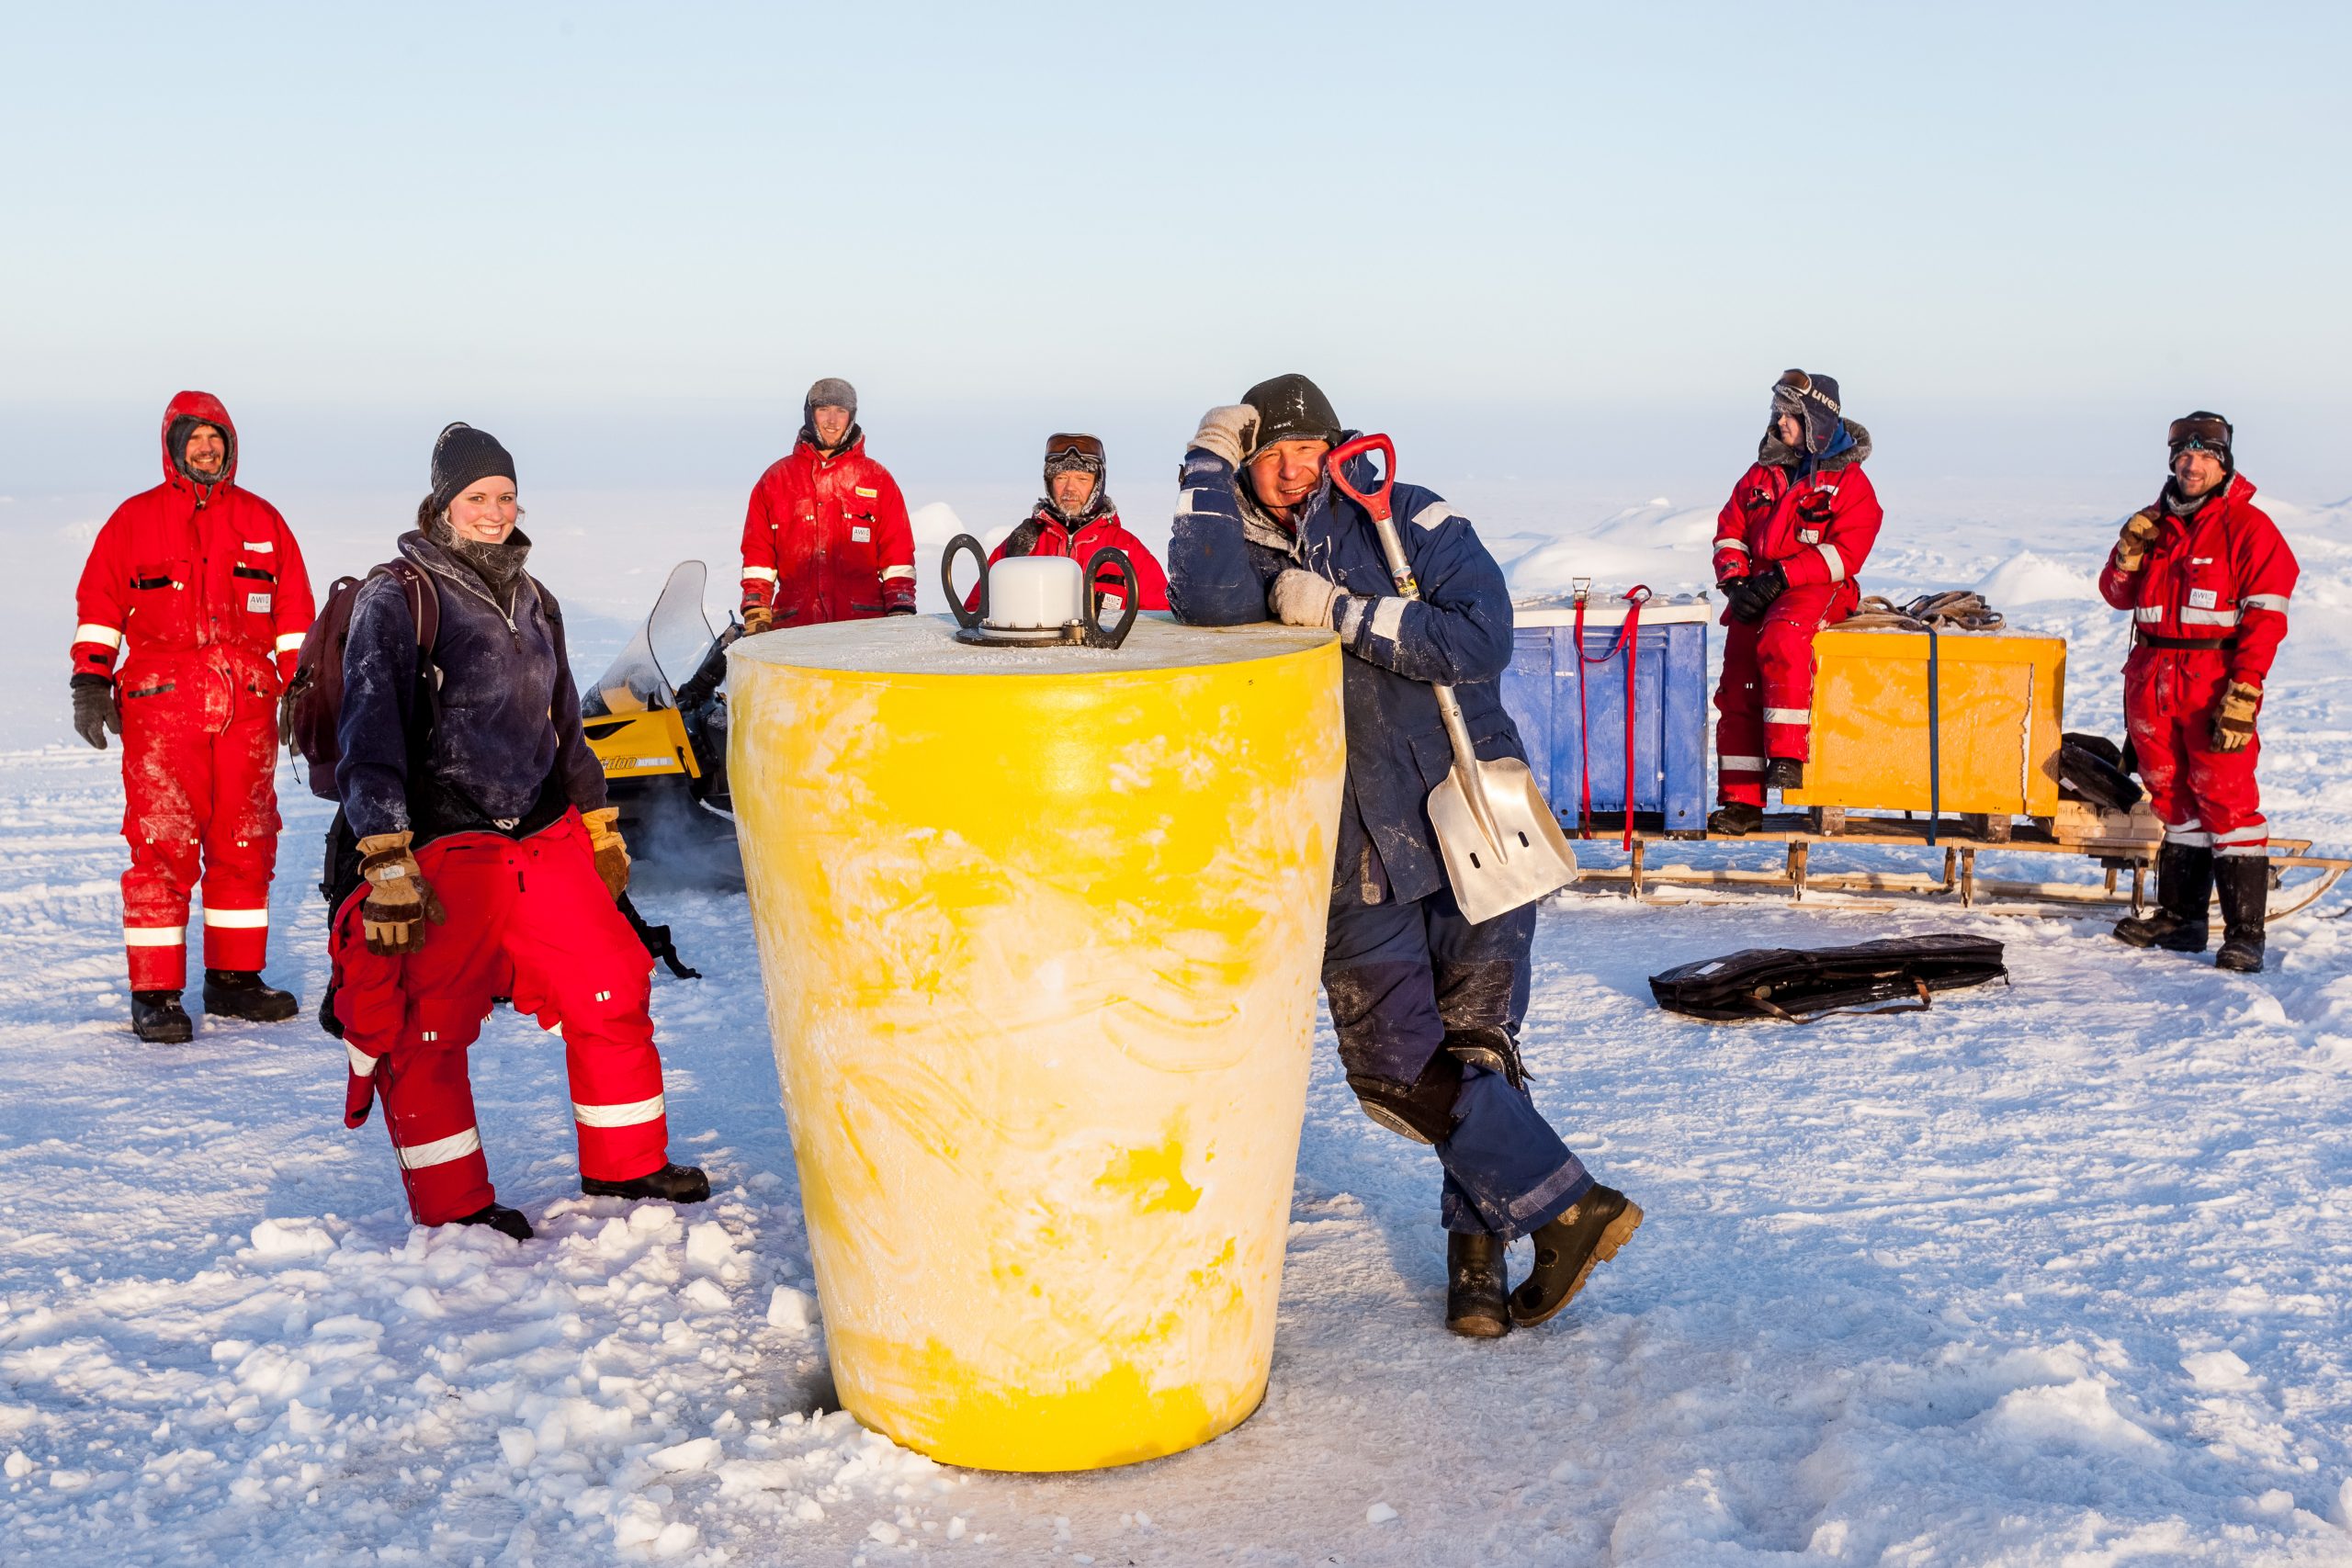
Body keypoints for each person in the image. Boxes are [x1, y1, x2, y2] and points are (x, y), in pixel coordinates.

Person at [1167, 373, 1640, 1339]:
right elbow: (1206, 600)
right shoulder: (1246, 552)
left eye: (1310, 452)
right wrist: (1204, 467)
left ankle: (1477, 1264)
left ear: (1339, 451)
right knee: (1392, 1066)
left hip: (1466, 814)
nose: (1294, 474)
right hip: (1351, 845)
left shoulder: (1406, 516)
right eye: (1270, 456)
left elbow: (1480, 638)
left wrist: (1338, 611)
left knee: (1477, 1050)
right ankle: (1567, 1207)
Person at [328, 423, 709, 1241]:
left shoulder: (538, 600)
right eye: (477, 497)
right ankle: (454, 1206)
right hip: (442, 844)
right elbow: (370, 733)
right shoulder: (399, 597)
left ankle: (626, 1161)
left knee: (612, 977)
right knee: (428, 1025)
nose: (496, 511)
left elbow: (565, 723)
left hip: (539, 834)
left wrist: (598, 822)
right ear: (442, 505)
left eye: (505, 495)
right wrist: (387, 858)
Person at [70, 391, 314, 1043]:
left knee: (246, 840)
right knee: (163, 843)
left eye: (217, 439)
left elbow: (294, 616)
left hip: (249, 708)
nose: (207, 449)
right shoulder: (135, 521)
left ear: (230, 446)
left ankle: (234, 981)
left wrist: (303, 690)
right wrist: (91, 678)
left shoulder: (263, 521)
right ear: (175, 446)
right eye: (196, 439)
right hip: (161, 709)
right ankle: (156, 992)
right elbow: (100, 602)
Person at [2103, 412, 2298, 972]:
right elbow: (2116, 596)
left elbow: (2267, 619)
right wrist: (2128, 554)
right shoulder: (2153, 523)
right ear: (2172, 461)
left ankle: (2245, 933)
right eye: (2184, 457)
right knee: (2171, 800)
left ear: (2223, 462)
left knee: (2227, 801)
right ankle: (2181, 920)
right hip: (2151, 679)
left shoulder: (2250, 528)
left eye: (2206, 457)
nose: (2193, 466)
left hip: (2212, 684)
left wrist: (2244, 693)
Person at [1706, 370, 1883, 833]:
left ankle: (1787, 756)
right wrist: (1735, 584)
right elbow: (1730, 531)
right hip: (1759, 586)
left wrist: (1784, 576)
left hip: (1815, 588)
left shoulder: (1849, 483)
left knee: (1784, 638)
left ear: (1817, 419)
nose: (1780, 422)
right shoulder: (1760, 475)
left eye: (1791, 413)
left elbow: (1847, 552)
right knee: (1739, 679)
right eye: (1778, 412)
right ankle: (1742, 801)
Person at [738, 378, 917, 633]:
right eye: (824, 410)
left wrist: (901, 607)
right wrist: (756, 610)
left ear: (851, 417)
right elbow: (758, 556)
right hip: (794, 627)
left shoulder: (877, 479)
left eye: (841, 411)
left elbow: (897, 554)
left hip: (864, 628)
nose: (832, 421)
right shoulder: (776, 480)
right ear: (810, 415)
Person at [965, 434, 1170, 615]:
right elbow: (975, 613)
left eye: (1082, 478)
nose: (1070, 488)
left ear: (1097, 484)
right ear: (1048, 481)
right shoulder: (1021, 545)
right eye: (1061, 477)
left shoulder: (1128, 550)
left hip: (1105, 657)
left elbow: (1160, 623)